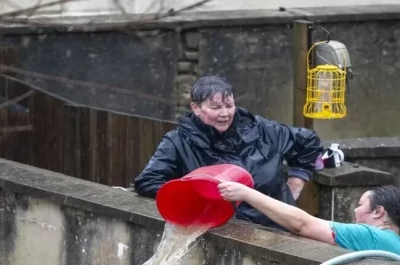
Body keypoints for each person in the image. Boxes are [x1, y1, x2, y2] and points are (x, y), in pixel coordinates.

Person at [134, 75, 323, 229]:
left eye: (229, 106)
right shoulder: (178, 142)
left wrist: (297, 180)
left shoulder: (263, 130)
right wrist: (192, 197)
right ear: (195, 108)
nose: (224, 113)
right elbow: (148, 181)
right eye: (215, 107)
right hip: (221, 233)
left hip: (278, 230)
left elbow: (308, 141)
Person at [217, 182, 400, 258]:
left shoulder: (372, 236)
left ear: (378, 212)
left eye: (361, 204)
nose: (355, 210)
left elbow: (302, 225)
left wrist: (247, 194)